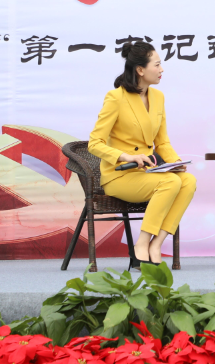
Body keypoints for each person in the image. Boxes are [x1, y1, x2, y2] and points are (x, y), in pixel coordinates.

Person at [88, 41, 196, 268]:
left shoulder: (158, 97)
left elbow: (162, 142)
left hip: (147, 173)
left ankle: (156, 244)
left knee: (188, 181)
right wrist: (126, 157)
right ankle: (141, 245)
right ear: (140, 70)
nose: (161, 69)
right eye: (156, 65)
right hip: (120, 175)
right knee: (169, 182)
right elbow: (94, 144)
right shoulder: (116, 97)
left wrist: (175, 162)